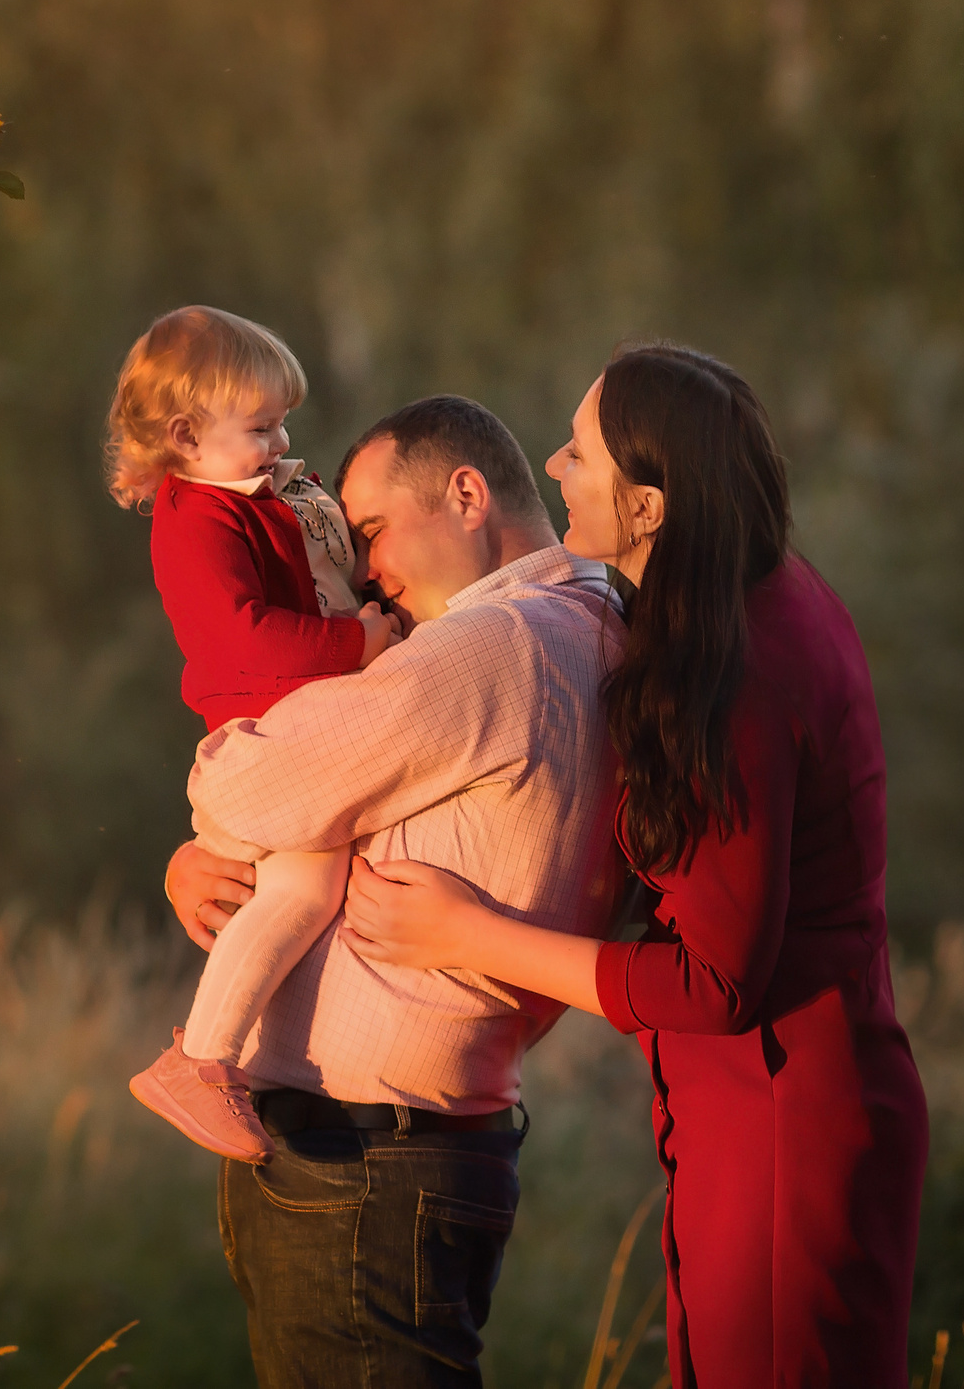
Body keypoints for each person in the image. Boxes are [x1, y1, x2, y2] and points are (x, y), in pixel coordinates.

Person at [344, 345, 930, 1389]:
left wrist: (466, 935)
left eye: (581, 450)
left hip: (782, 1121)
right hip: (758, 1108)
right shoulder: (746, 601)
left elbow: (714, 983)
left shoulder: (738, 669)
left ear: (649, 506)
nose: (557, 464)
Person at [162, 395, 622, 1388]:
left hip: (364, 1164)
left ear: (465, 494)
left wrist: (210, 813)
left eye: (370, 530)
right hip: (407, 1155)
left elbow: (249, 782)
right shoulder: (594, 619)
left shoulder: (493, 644)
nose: (366, 569)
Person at [106, 305, 402, 1162]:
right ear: (186, 435)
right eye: (261, 427)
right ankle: (199, 1059)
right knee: (305, 888)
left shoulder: (250, 497)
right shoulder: (196, 519)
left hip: (297, 715)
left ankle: (235, 1054)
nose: (279, 441)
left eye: (284, 424)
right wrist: (359, 642)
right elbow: (247, 638)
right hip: (263, 727)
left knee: (306, 886)